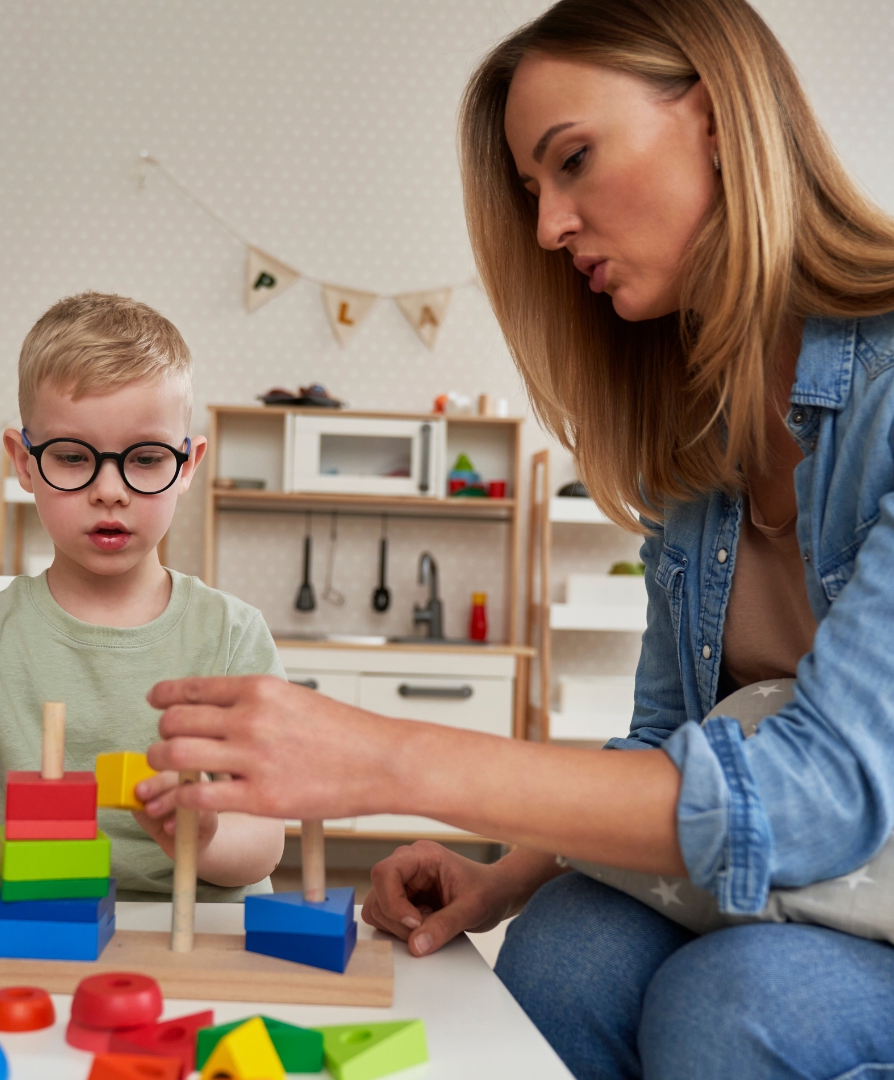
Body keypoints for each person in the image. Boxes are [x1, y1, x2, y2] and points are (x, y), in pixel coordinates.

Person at [140, 1, 894, 1076]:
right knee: (562, 953)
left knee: (732, 1006)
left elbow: (820, 796)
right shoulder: (701, 424)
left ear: (721, 119)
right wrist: (507, 871)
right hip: (800, 878)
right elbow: (663, 745)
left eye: (573, 161)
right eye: (534, 190)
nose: (547, 228)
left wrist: (385, 758)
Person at [0, 292, 285, 953]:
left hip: (202, 937)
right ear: (24, 462)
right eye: (74, 456)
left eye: (144, 459)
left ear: (188, 464)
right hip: (40, 930)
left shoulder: (232, 634)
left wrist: (209, 835)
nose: (109, 489)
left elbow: (264, 844)